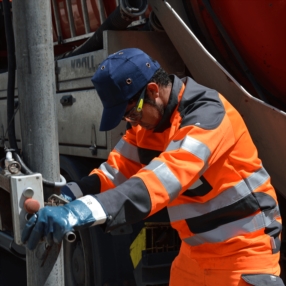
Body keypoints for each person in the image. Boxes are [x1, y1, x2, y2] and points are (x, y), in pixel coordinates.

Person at [22, 48, 284, 285]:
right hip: (194, 255)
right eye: (125, 117)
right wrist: (66, 198)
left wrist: (76, 214)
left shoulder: (207, 116)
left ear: (153, 90)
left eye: (133, 113)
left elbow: (160, 180)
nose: (132, 122)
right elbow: (114, 174)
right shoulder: (144, 126)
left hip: (245, 255)